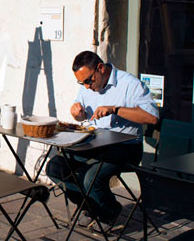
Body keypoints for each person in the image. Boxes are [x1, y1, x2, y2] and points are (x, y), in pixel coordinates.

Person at [46, 51, 159, 231]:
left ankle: (109, 211)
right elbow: (79, 112)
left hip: (125, 146)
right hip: (95, 142)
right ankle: (91, 207)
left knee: (90, 178)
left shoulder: (129, 84)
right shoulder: (87, 86)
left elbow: (152, 117)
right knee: (56, 167)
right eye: (82, 83)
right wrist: (77, 112)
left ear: (100, 68)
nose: (87, 87)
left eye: (89, 81)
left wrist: (116, 109)